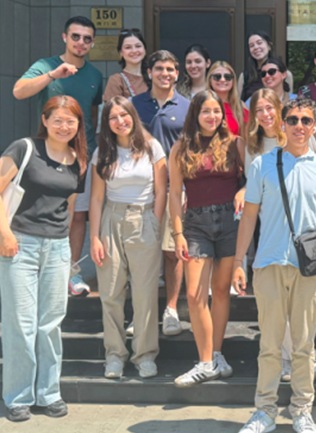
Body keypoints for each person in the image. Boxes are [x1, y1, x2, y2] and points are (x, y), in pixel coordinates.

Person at [231, 98, 316, 433]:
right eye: (292, 119)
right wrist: (238, 262)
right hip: (269, 262)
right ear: (283, 124)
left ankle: (301, 410)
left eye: (305, 120)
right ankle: (264, 411)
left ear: (314, 126)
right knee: (269, 344)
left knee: (304, 345)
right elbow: (249, 216)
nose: (298, 125)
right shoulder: (262, 164)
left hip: (310, 266)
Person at [0, 96, 87, 422]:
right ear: (45, 120)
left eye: (70, 121)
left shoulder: (77, 160)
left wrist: (67, 248)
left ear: (78, 125)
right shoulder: (24, 148)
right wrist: (5, 233)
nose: (64, 126)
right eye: (57, 120)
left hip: (57, 248)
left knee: (50, 323)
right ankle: (18, 397)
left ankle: (49, 393)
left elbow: (69, 206)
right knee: (21, 323)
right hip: (19, 245)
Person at [13, 16, 103, 298]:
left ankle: (70, 272)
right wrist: (53, 75)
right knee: (46, 212)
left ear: (92, 43)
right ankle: (44, 270)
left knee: (77, 216)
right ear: (65, 37)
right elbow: (18, 91)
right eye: (75, 36)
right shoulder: (46, 65)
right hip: (48, 155)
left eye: (87, 38)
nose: (81, 42)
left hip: (82, 155)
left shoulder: (95, 75)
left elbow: (92, 115)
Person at [168, 92, 247, 386]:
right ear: (195, 115)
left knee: (221, 290)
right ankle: (205, 363)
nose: (212, 116)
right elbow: (174, 194)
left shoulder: (235, 143)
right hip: (196, 225)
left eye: (216, 111)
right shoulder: (181, 147)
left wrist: (242, 191)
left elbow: (251, 180)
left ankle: (216, 354)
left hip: (229, 222)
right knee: (194, 294)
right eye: (206, 111)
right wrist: (177, 233)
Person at [88, 98, 168, 379]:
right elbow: (96, 198)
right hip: (111, 220)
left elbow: (162, 190)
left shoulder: (152, 147)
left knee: (145, 294)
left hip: (144, 218)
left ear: (133, 116)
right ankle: (114, 355)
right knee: (110, 293)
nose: (120, 121)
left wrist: (155, 222)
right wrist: (95, 237)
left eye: (124, 115)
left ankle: (145, 355)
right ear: (106, 123)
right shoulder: (102, 152)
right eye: (113, 117)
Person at [132, 50, 190, 337]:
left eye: (170, 69)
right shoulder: (134, 105)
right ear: (149, 72)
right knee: (142, 254)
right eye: (159, 69)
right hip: (140, 190)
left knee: (172, 252)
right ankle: (142, 312)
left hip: (175, 190)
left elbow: (192, 149)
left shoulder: (188, 106)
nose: (164, 74)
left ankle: (171, 309)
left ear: (177, 74)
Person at [238, 32, 293, 100]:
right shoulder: (245, 76)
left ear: (269, 46)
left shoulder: (285, 74)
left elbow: (289, 101)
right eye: (251, 46)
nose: (256, 47)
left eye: (259, 43)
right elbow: (239, 103)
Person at [102, 29, 148, 101]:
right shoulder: (117, 80)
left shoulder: (154, 77)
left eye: (138, 46)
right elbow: (112, 107)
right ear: (121, 53)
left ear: (144, 49)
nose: (134, 51)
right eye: (128, 47)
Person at [207, 61, 248, 137]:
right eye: (217, 76)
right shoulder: (202, 103)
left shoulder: (240, 106)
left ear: (233, 80)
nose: (222, 80)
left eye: (228, 77)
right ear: (210, 79)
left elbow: (247, 139)